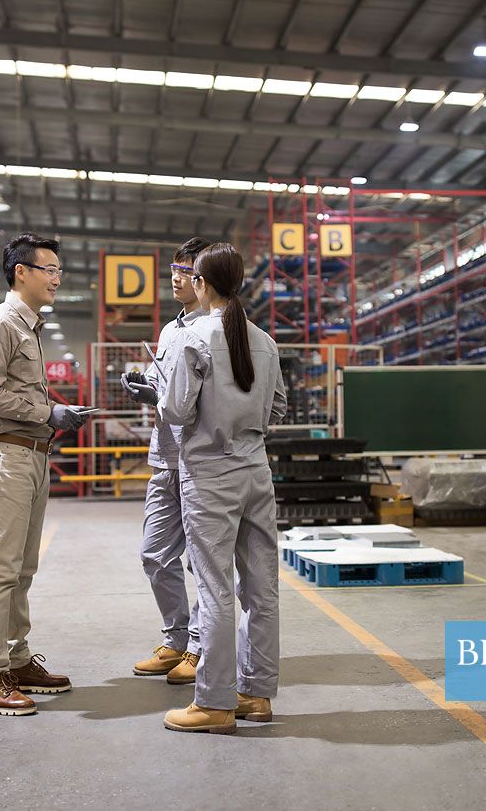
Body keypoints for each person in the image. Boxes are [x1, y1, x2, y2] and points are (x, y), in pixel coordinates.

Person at [153, 242, 287, 734]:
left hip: (210, 476)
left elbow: (174, 412)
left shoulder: (195, 338)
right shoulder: (266, 342)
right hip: (257, 472)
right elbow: (277, 409)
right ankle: (256, 694)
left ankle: (213, 702)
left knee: (214, 590)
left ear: (202, 284)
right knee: (262, 589)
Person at [0, 232, 90, 717]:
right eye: (50, 270)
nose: (57, 279)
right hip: (9, 458)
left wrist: (54, 413)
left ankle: (16, 661)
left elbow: (15, 395)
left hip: (32, 457)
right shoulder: (1, 325)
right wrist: (48, 415)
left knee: (22, 570)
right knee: (0, 571)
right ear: (22, 272)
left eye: (59, 271)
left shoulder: (29, 326)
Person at [121, 237, 210, 684]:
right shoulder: (171, 330)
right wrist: (146, 388)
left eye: (184, 269)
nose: (175, 278)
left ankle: (198, 646)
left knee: (203, 562)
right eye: (172, 269)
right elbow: (164, 387)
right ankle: (176, 638)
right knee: (154, 554)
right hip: (165, 456)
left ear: (205, 275)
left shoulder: (217, 329)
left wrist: (168, 397)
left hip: (200, 461)